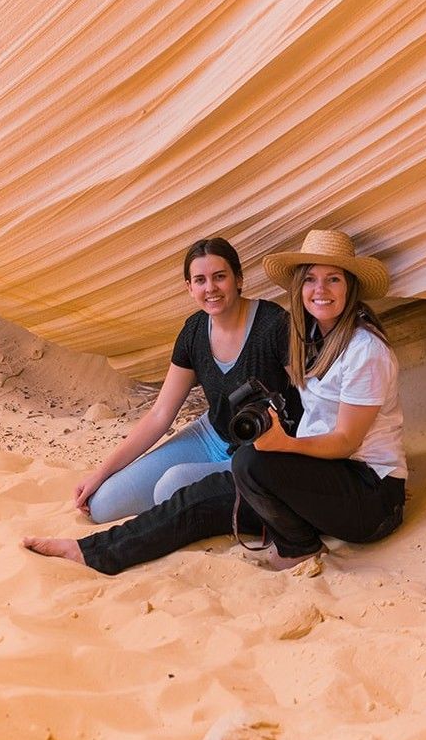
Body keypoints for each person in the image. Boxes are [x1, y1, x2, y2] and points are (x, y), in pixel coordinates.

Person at [24, 229, 406, 573]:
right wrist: (99, 473)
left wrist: (282, 446)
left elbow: (345, 441)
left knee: (234, 469)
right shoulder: (312, 336)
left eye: (333, 279)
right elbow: (160, 413)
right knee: (179, 501)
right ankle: (92, 551)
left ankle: (296, 543)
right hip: (308, 474)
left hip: (369, 496)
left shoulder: (359, 348)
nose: (319, 289)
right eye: (310, 279)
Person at [76, 236, 299, 523]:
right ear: (189, 288)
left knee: (172, 486)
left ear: (239, 279)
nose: (211, 288)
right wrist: (101, 472)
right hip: (211, 436)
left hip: (262, 451)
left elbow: (311, 395)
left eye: (220, 277)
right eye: (200, 280)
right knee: (102, 504)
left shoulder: (273, 324)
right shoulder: (194, 331)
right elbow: (160, 414)